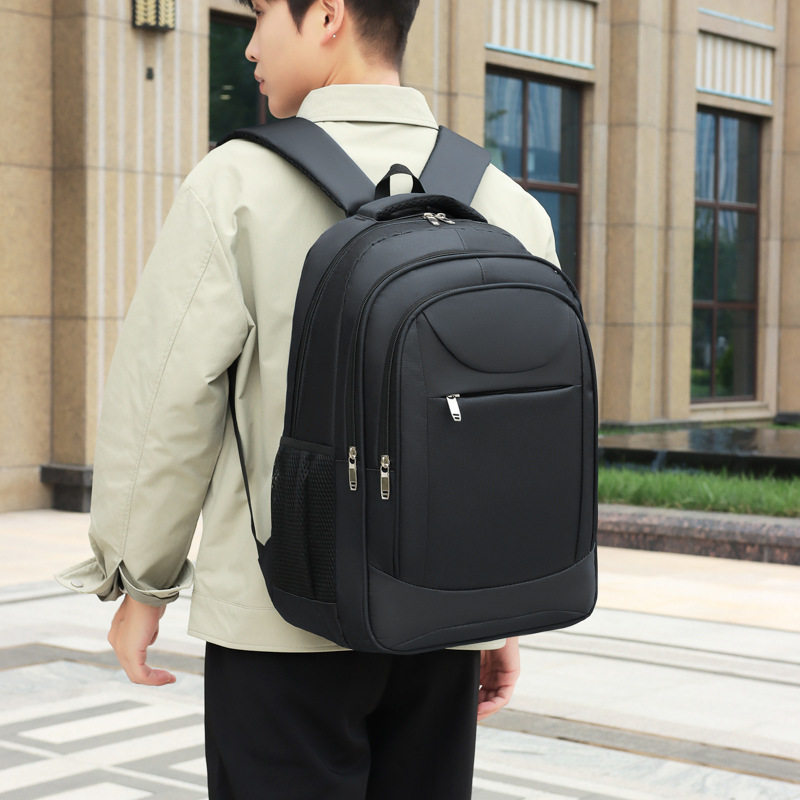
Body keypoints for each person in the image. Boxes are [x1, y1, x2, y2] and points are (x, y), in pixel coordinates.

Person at [57, 0, 560, 797]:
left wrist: (140, 582)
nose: (251, 46)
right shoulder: (508, 204)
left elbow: (165, 404)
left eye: (262, 15)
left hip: (279, 622)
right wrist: (493, 616)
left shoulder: (236, 184)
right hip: (437, 623)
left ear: (327, 15)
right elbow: (515, 434)